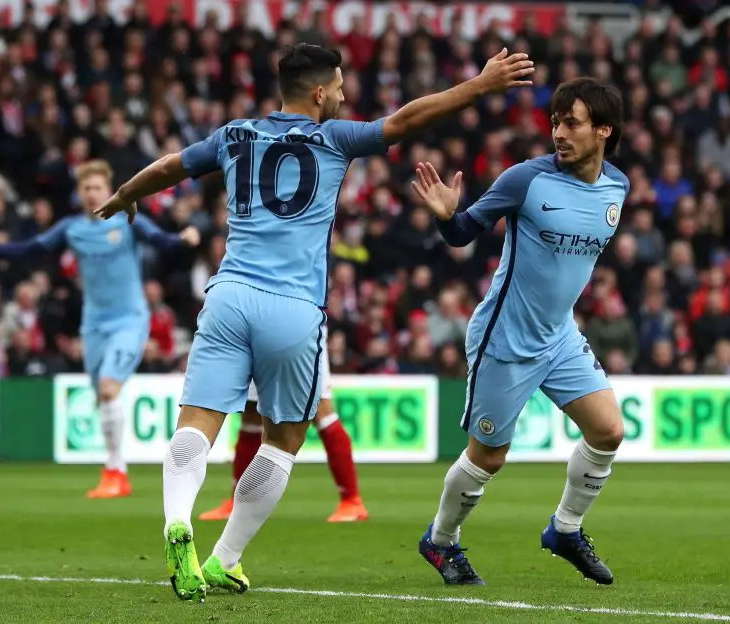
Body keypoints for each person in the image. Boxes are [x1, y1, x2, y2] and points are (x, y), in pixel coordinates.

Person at [94, 43, 534, 603]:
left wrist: (126, 194)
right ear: (321, 92)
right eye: (342, 87)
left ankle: (177, 521)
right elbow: (407, 120)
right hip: (293, 307)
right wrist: (480, 85)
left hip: (229, 295)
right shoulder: (336, 138)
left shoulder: (235, 134)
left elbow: (169, 167)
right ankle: (225, 558)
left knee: (198, 422)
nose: (345, 95)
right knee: (283, 440)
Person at [410, 77, 628, 587]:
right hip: (505, 339)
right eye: (555, 122)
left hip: (560, 335)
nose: (559, 133)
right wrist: (446, 217)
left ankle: (565, 530)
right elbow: (463, 232)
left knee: (608, 431)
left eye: (571, 123)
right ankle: (440, 540)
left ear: (603, 130)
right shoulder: (525, 180)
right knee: (489, 457)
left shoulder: (618, 187)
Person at [0, 160, 200, 497]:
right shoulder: (72, 229)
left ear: (109, 190)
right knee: (102, 397)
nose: (92, 194)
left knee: (109, 389)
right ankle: (115, 470)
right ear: (79, 193)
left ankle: (116, 471)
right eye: (86, 188)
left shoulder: (128, 219)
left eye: (97, 187)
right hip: (94, 325)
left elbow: (161, 240)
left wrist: (184, 237)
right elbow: (30, 249)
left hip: (129, 319)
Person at [199, 369, 368, 523]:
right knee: (251, 412)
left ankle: (351, 501)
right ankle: (237, 503)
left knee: (320, 408)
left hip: (303, 345)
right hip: (256, 345)